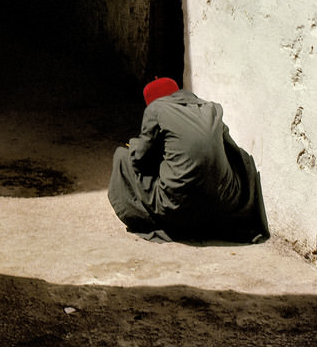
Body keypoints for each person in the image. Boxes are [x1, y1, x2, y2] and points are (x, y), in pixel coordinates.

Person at [108, 77, 269, 243]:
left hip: (177, 208)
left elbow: (139, 159)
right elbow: (232, 151)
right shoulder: (211, 108)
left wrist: (134, 145)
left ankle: (148, 219)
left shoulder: (156, 109)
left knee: (122, 156)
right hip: (222, 205)